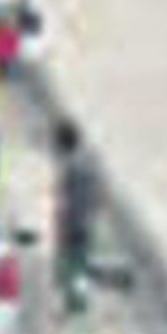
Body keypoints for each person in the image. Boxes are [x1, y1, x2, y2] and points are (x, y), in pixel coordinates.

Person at [50, 114, 100, 314]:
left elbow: (65, 200)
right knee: (80, 262)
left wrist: (60, 224)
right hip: (86, 220)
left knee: (71, 265)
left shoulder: (70, 166)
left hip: (73, 222)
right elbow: (96, 193)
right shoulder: (88, 161)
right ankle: (79, 300)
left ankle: (75, 302)